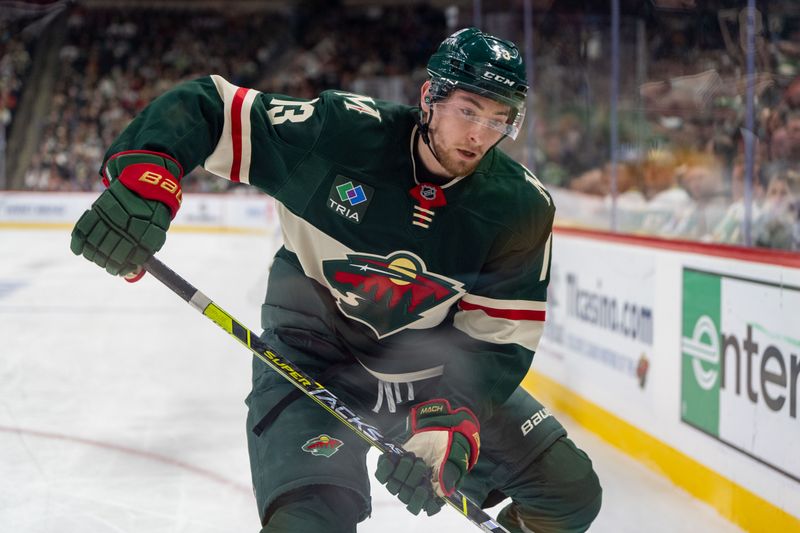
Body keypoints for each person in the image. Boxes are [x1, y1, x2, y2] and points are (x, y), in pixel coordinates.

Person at [70, 27, 602, 533]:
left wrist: (447, 421)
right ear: (430, 98)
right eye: (468, 111)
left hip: (427, 371)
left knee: (570, 494)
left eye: (498, 118)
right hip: (313, 357)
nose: (481, 135)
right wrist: (146, 183)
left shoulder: (520, 208)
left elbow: (498, 337)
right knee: (309, 523)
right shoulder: (340, 134)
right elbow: (208, 106)